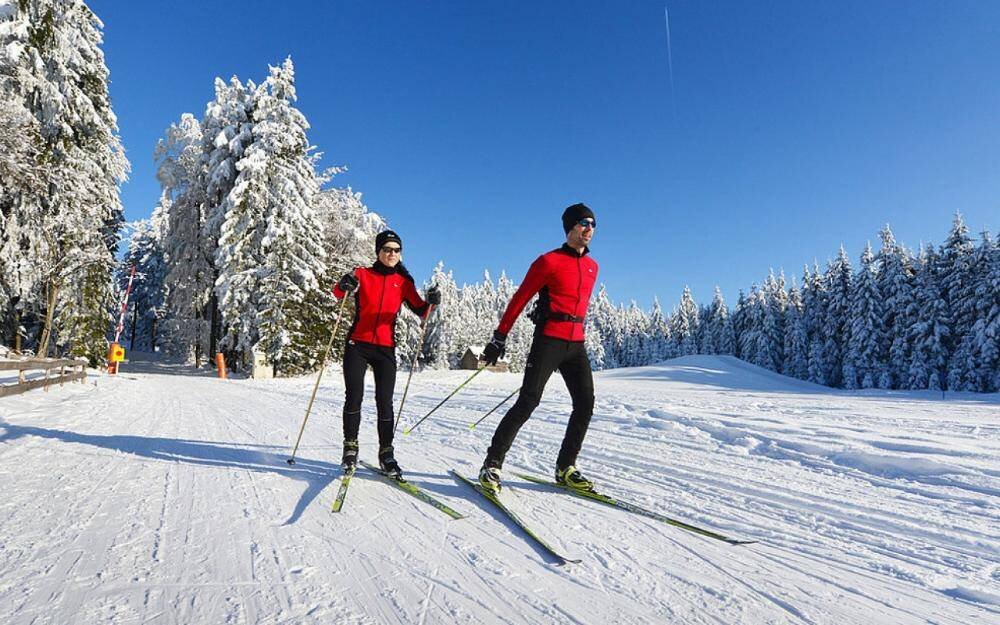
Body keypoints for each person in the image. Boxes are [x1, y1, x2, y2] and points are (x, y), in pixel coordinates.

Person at [478, 203, 599, 494]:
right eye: (584, 223)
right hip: (549, 340)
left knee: (585, 403)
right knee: (528, 401)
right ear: (570, 227)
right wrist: (499, 337)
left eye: (593, 224)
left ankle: (565, 467)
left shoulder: (593, 267)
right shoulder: (548, 261)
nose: (589, 229)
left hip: (576, 344)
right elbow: (520, 299)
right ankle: (492, 464)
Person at [332, 230, 440, 478]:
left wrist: (432, 301)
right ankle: (350, 450)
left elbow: (422, 311)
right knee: (354, 397)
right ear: (378, 252)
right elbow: (337, 293)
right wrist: (343, 284)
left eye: (396, 250)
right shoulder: (362, 274)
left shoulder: (403, 283)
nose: (391, 254)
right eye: (387, 249)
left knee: (385, 402)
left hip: (385, 349)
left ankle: (386, 454)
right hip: (357, 345)